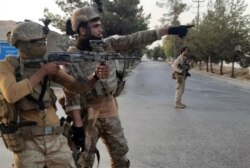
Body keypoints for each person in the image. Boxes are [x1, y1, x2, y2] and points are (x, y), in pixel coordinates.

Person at [63, 6, 193, 168]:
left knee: (121, 158)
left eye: (100, 25)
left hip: (110, 111)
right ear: (82, 30)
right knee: (84, 162)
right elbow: (71, 94)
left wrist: (169, 30)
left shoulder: (107, 45)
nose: (101, 29)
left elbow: (135, 39)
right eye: (95, 26)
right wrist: (78, 127)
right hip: (87, 115)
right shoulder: (72, 55)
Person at [0, 20, 89, 168]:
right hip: (27, 142)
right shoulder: (6, 66)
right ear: (22, 44)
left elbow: (77, 87)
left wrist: (96, 77)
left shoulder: (45, 64)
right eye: (37, 42)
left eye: (44, 41)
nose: (43, 45)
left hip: (56, 138)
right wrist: (43, 72)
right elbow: (11, 94)